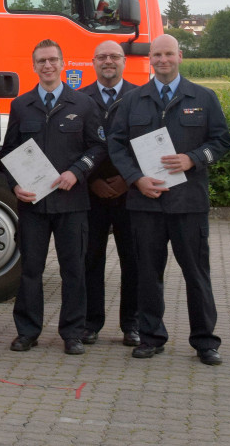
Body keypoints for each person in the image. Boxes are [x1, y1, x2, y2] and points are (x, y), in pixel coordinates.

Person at [107, 34, 230, 366]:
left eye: (168, 54)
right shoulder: (134, 100)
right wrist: (136, 179)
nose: (163, 60)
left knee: (196, 273)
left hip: (188, 203)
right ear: (149, 58)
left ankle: (205, 341)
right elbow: (116, 144)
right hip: (146, 202)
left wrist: (193, 158)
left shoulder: (203, 97)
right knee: (148, 273)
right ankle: (151, 336)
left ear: (180, 55)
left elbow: (221, 141)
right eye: (157, 55)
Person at [2, 40, 105, 355]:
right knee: (30, 270)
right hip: (33, 203)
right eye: (41, 61)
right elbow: (8, 152)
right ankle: (27, 332)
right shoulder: (21, 105)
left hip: (72, 203)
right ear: (33, 66)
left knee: (73, 269)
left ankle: (72, 333)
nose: (47, 65)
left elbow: (98, 147)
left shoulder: (83, 104)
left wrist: (77, 171)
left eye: (52, 60)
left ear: (63, 64)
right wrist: (14, 185)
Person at [77, 40, 142, 347]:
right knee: (91, 259)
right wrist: (90, 181)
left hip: (130, 192)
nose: (108, 61)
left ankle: (132, 324)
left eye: (114, 56)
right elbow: (73, 147)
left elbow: (147, 142)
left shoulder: (140, 97)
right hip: (90, 192)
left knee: (134, 260)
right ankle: (91, 323)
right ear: (93, 62)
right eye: (101, 56)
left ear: (123, 61)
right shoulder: (79, 99)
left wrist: (128, 180)